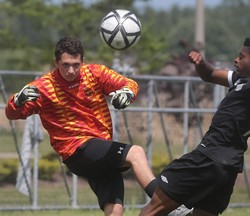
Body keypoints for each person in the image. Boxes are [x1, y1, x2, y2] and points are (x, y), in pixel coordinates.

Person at [5, 37, 158, 216]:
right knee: (136, 152)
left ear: (82, 61)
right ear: (56, 62)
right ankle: (165, 200)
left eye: (76, 64)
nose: (71, 70)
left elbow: (129, 84)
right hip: (77, 149)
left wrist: (127, 93)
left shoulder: (95, 74)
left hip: (99, 150)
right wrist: (16, 100)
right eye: (65, 65)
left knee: (115, 210)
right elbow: (12, 114)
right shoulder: (43, 87)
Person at [140, 22, 250, 216]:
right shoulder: (240, 79)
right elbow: (210, 74)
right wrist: (201, 64)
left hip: (207, 159)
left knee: (151, 210)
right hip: (226, 168)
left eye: (241, 56)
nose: (236, 60)